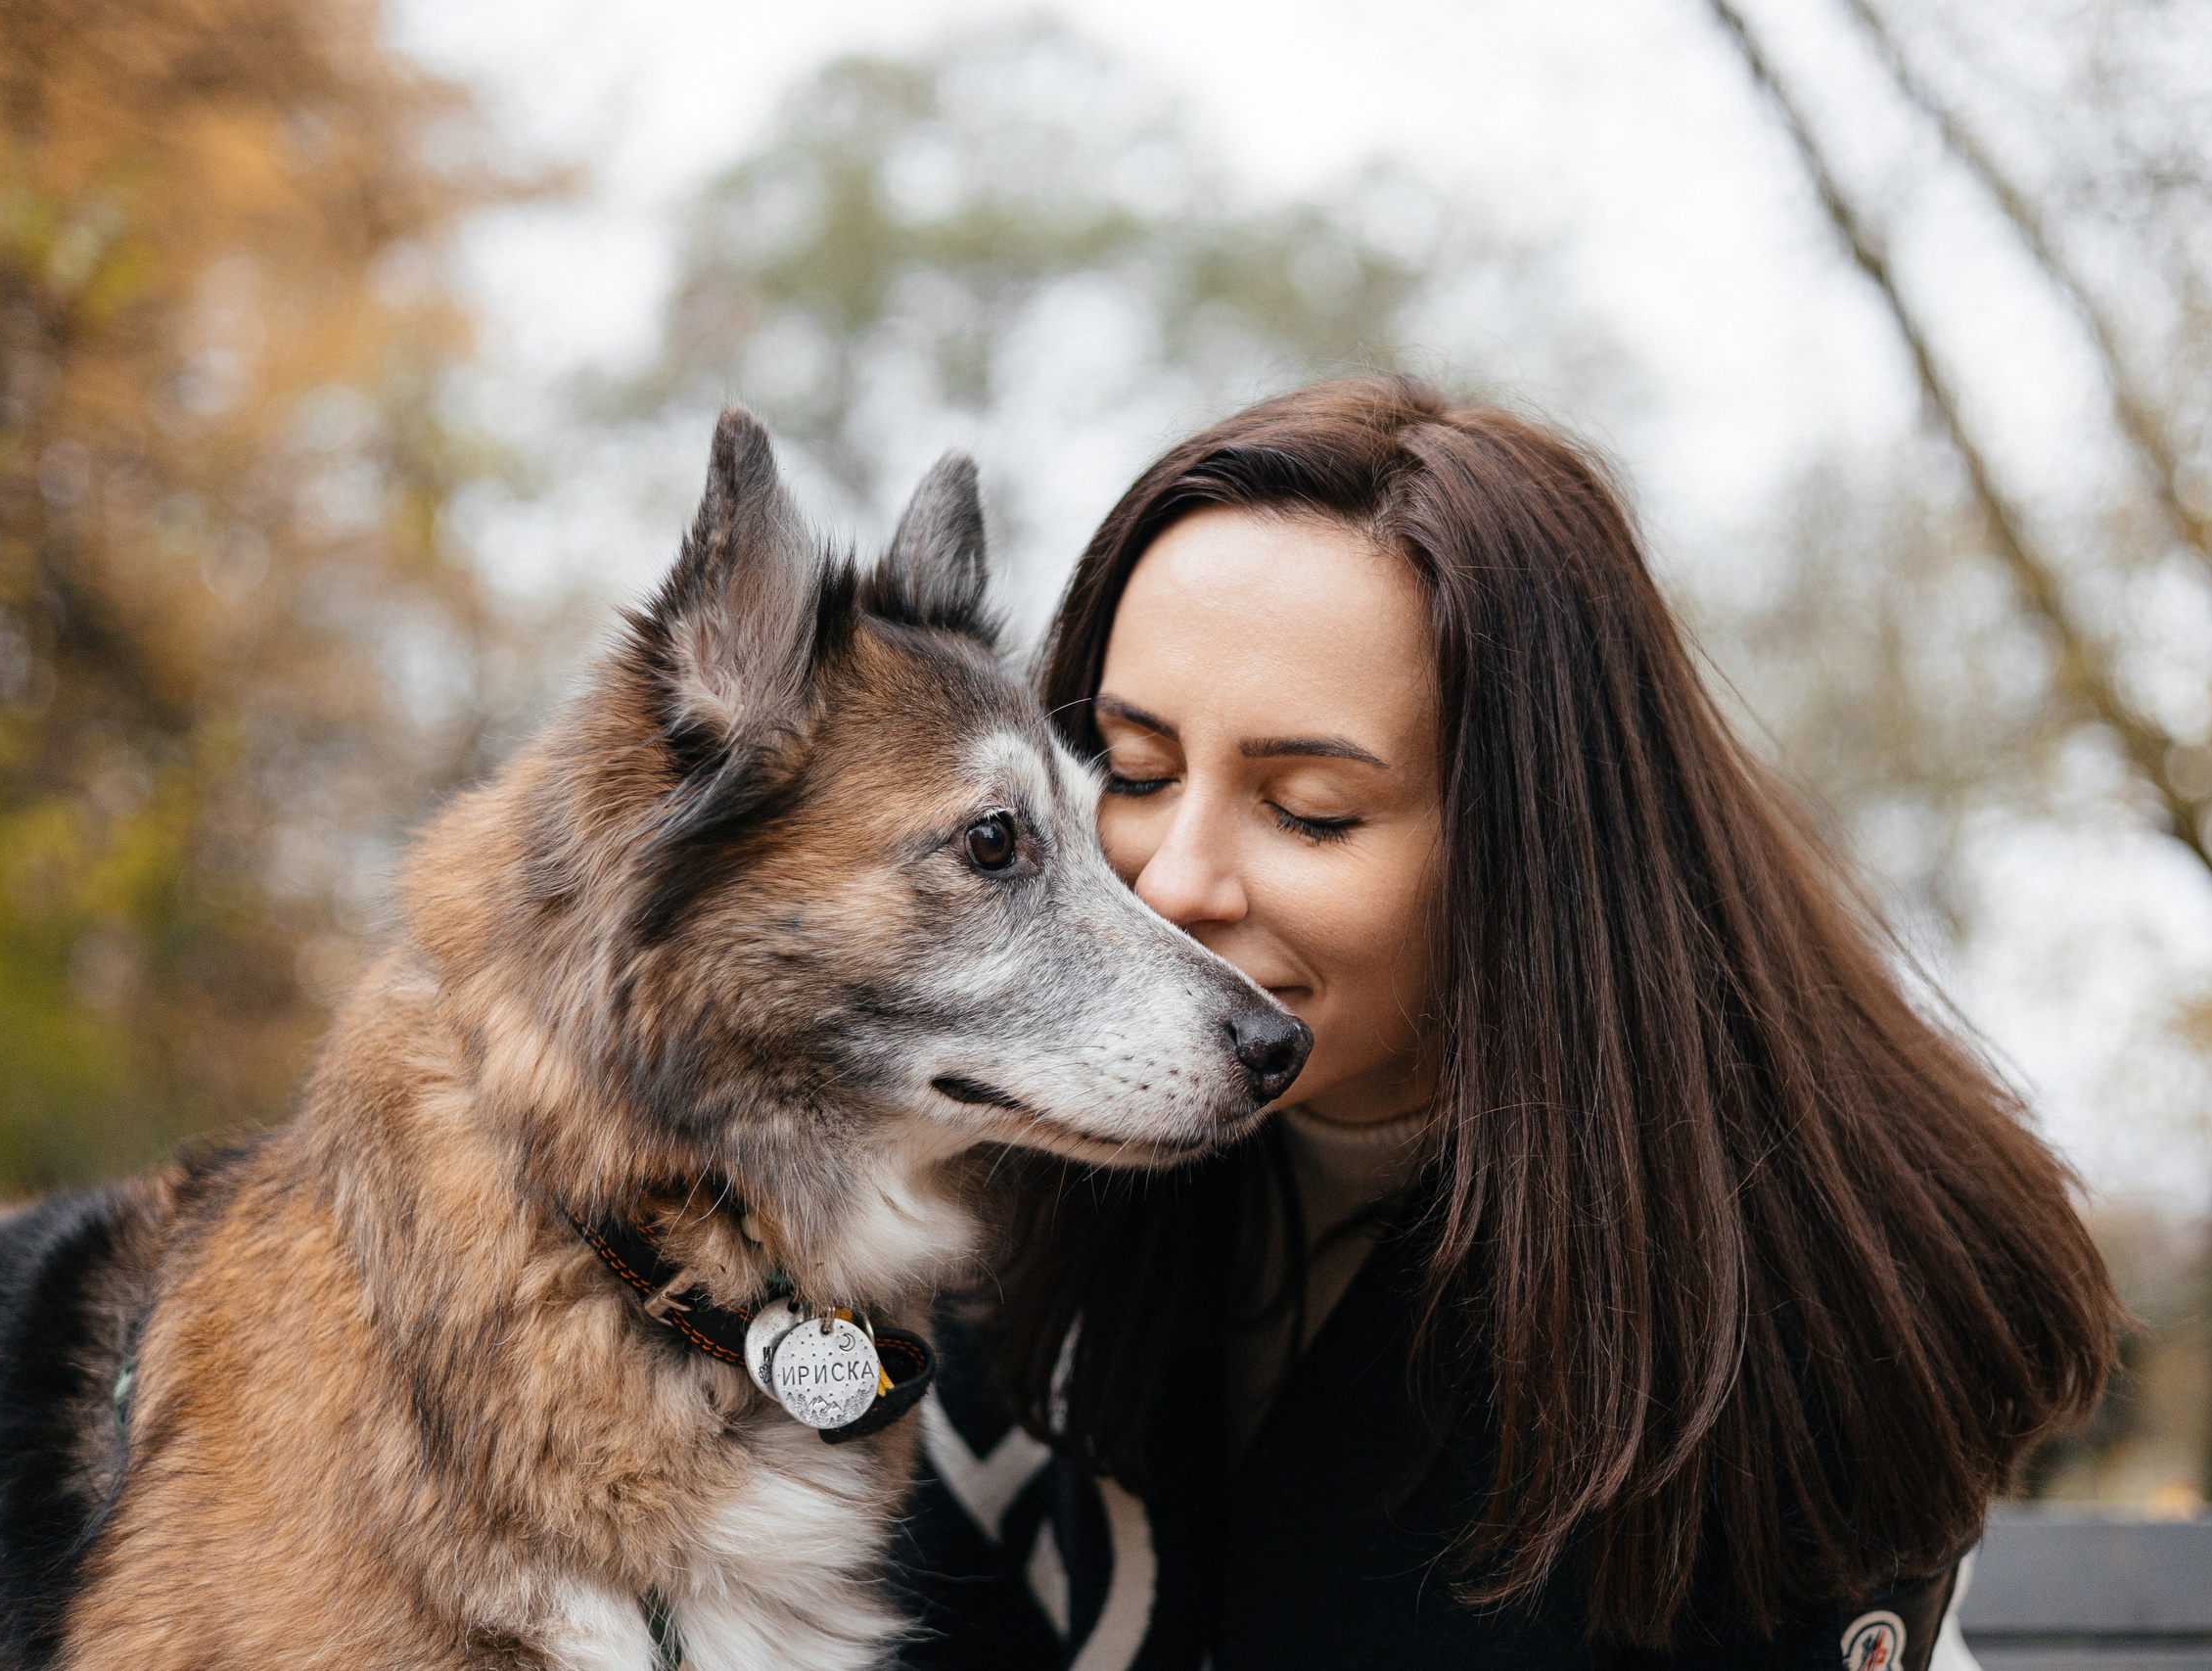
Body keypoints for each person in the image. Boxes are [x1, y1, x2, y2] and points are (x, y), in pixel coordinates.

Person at [893, 376, 2119, 1669]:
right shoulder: (984, 1180)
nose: (1175, 879)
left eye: (1310, 808)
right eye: (1132, 772)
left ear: (1530, 841)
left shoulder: (1798, 1304)